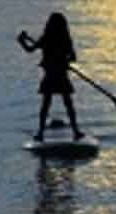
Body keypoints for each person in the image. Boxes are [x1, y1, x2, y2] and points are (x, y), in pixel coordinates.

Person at [17, 12, 85, 142]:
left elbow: (30, 49)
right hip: (57, 75)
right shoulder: (62, 39)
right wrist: (66, 60)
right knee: (66, 104)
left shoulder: (48, 38)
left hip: (54, 76)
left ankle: (42, 133)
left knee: (49, 105)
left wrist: (21, 41)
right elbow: (73, 58)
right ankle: (74, 131)